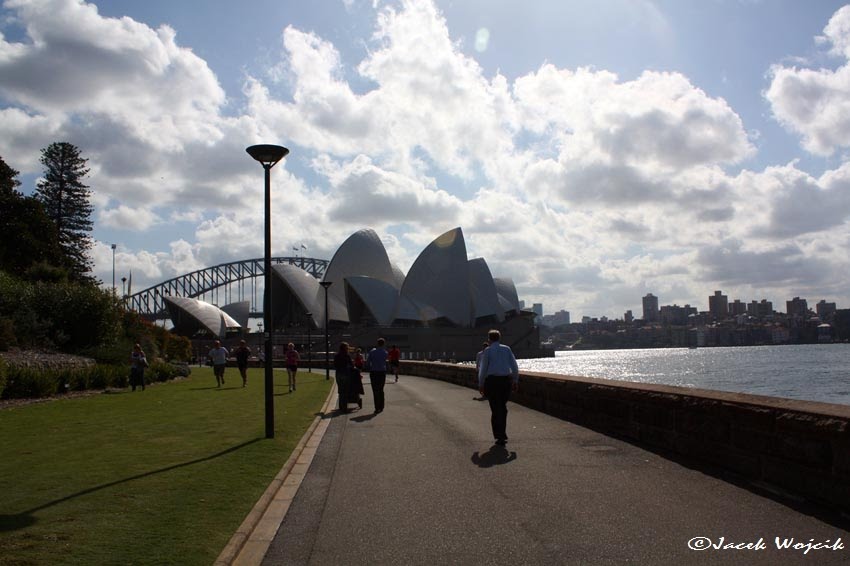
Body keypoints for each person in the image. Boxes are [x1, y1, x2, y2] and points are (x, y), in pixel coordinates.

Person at [477, 330, 519, 446]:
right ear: (499, 338)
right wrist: (515, 380)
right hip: (505, 381)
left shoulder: (487, 351)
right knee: (503, 407)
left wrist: (481, 384)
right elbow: (514, 366)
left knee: (495, 409)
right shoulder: (507, 349)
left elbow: (483, 368)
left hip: (492, 382)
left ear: (489, 339)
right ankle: (502, 433)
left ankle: (499, 435)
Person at [366, 337, 389, 414]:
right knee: (381, 389)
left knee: (375, 390)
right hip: (382, 372)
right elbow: (386, 361)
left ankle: (377, 407)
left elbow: (368, 362)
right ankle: (381, 406)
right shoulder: (385, 352)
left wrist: (370, 368)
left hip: (374, 372)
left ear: (377, 343)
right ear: (383, 344)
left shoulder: (372, 352)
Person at [333, 342, 356, 412]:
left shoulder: (336, 356)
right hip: (345, 374)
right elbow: (351, 365)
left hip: (338, 374)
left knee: (340, 390)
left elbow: (335, 365)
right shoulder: (347, 355)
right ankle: (344, 407)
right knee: (345, 391)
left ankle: (340, 406)